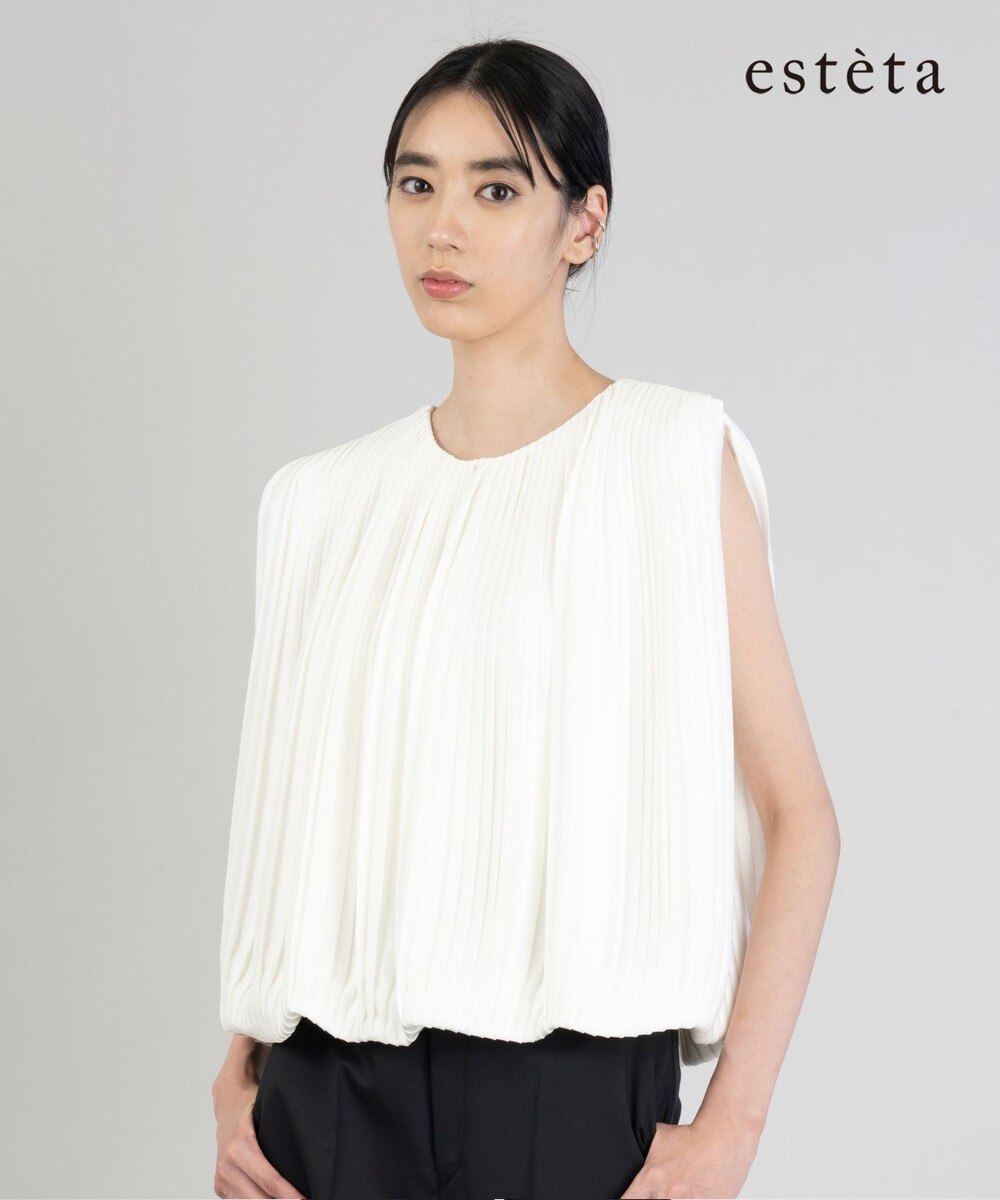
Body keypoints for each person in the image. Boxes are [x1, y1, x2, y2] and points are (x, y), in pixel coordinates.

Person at [211, 37, 840, 1200]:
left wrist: (732, 1126)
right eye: (416, 183)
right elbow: (306, 821)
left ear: (583, 223)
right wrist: (236, 1072)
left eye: (496, 190)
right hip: (321, 1104)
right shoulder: (317, 502)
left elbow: (800, 815)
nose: (442, 228)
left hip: (568, 1103)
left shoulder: (669, 457)